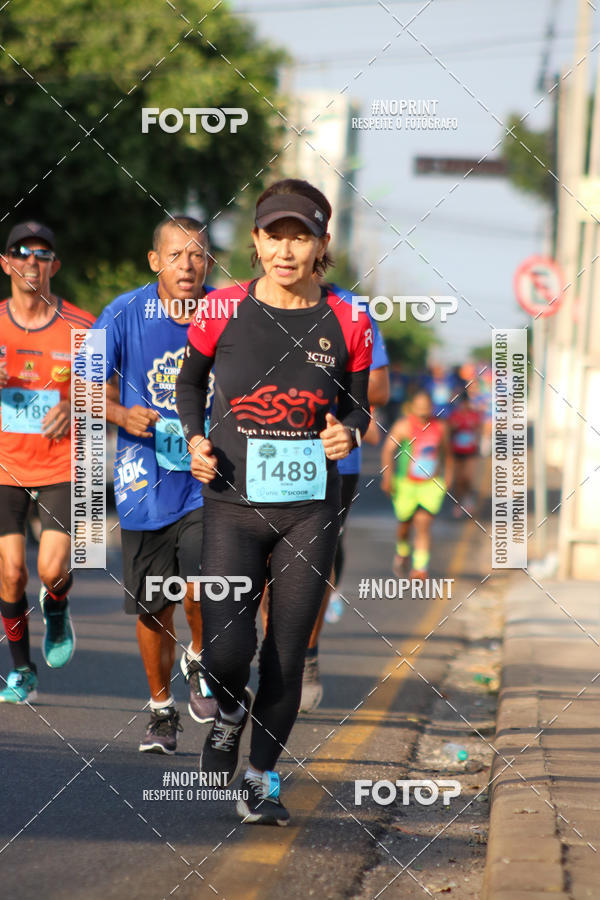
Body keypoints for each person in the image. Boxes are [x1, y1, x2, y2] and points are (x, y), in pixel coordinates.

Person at [176, 178, 372, 825]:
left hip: (310, 509)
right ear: (256, 242)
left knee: (286, 651)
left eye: (301, 236)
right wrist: (196, 437)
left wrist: (350, 428)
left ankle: (260, 778)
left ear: (320, 246)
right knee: (228, 652)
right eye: (274, 235)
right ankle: (229, 711)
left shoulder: (350, 318)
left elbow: (357, 402)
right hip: (232, 502)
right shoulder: (220, 310)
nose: (286, 249)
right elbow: (189, 382)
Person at [88, 216, 216, 754]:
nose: (187, 265)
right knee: (152, 607)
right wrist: (121, 413)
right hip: (144, 481)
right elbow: (85, 388)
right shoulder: (122, 313)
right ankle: (161, 710)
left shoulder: (225, 311)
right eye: (176, 254)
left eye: (198, 255)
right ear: (154, 260)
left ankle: (202, 659)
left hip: (208, 476)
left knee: (201, 585)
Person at [0, 221, 95, 703]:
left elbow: (106, 394)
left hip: (63, 464)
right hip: (5, 466)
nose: (31, 262)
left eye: (41, 254)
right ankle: (22, 670)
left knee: (52, 569)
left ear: (54, 265)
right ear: (6, 263)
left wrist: (75, 405)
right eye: (21, 253)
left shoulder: (81, 325)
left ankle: (56, 604)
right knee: (12, 572)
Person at [299, 284, 390, 712]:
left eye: (304, 237)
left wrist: (324, 384)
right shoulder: (248, 302)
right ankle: (273, 654)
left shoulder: (354, 311)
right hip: (260, 453)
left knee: (314, 563)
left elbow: (379, 389)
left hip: (335, 459)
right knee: (263, 566)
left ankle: (305, 657)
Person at [381, 389, 453, 580]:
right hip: (406, 484)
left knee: (423, 524)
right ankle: (402, 550)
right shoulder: (403, 426)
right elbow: (388, 450)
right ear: (412, 407)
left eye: (426, 406)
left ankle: (420, 568)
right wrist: (387, 477)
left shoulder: (441, 427)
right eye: (419, 406)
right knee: (405, 524)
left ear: (432, 407)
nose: (423, 411)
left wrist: (448, 477)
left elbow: (448, 453)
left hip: (430, 485)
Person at [448, 390, 482, 517]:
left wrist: (478, 443)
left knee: (468, 477)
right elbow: (448, 432)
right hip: (456, 451)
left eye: (465, 404)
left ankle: (468, 498)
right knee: (458, 479)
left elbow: (479, 430)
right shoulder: (455, 416)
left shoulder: (474, 416)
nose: (464, 406)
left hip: (470, 452)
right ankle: (457, 503)